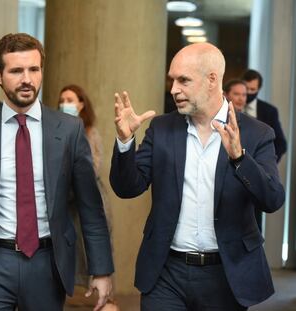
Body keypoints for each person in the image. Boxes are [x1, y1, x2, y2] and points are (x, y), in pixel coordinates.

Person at [0, 33, 114, 311]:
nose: (27, 79)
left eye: (34, 69)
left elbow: (90, 206)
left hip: (47, 263)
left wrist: (101, 269)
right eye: (16, 70)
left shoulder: (69, 130)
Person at [110, 43, 285, 311]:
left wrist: (239, 158)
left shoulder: (257, 133)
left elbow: (272, 199)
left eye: (184, 80)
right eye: (172, 80)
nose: (174, 90)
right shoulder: (162, 129)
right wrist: (125, 142)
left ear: (212, 79)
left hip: (226, 274)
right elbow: (127, 187)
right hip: (166, 273)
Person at [57, 84, 112, 305]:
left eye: (70, 100)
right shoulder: (56, 130)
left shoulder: (90, 132)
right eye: (62, 100)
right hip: (66, 203)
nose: (65, 104)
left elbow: (92, 170)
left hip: (87, 201)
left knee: (92, 253)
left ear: (81, 104)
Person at [241, 69, 287, 162]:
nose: (249, 92)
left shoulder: (269, 111)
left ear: (259, 89)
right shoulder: (230, 106)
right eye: (246, 88)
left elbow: (280, 143)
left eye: (252, 89)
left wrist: (267, 164)